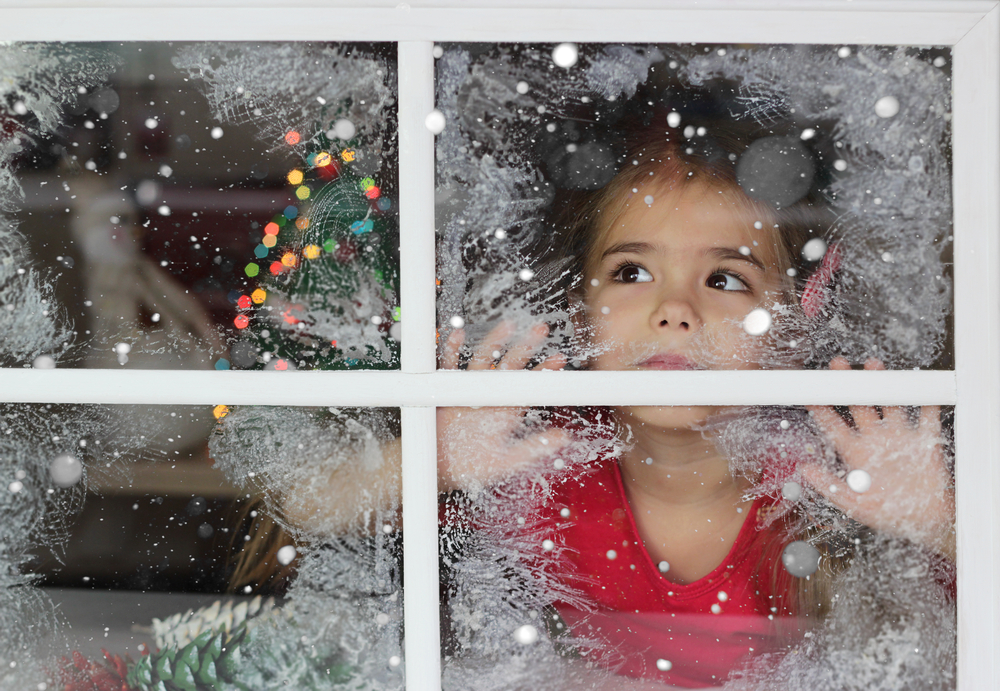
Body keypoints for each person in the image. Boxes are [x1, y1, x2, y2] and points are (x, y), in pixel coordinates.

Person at [249, 116, 955, 690]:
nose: (675, 309)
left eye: (727, 278)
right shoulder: (541, 458)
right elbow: (306, 510)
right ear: (580, 306)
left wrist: (942, 522)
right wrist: (431, 455)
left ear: (790, 326)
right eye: (632, 271)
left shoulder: (831, 482)